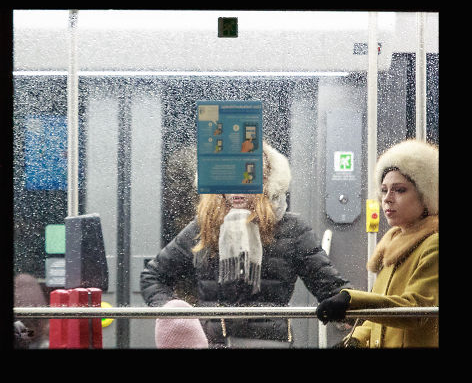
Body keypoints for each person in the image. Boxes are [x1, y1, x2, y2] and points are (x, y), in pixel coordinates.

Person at [141, 142, 352, 348]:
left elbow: (331, 288)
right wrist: (176, 317)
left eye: (247, 176)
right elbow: (153, 276)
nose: (237, 187)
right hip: (214, 342)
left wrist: (347, 302)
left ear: (266, 180)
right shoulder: (205, 226)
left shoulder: (291, 229)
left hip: (269, 342)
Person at [316, 139, 438, 348]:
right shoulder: (392, 244)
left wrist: (352, 301)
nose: (387, 199)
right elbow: (379, 319)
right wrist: (355, 340)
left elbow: (416, 310)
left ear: (426, 195)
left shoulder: (433, 244)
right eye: (384, 190)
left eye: (400, 190)